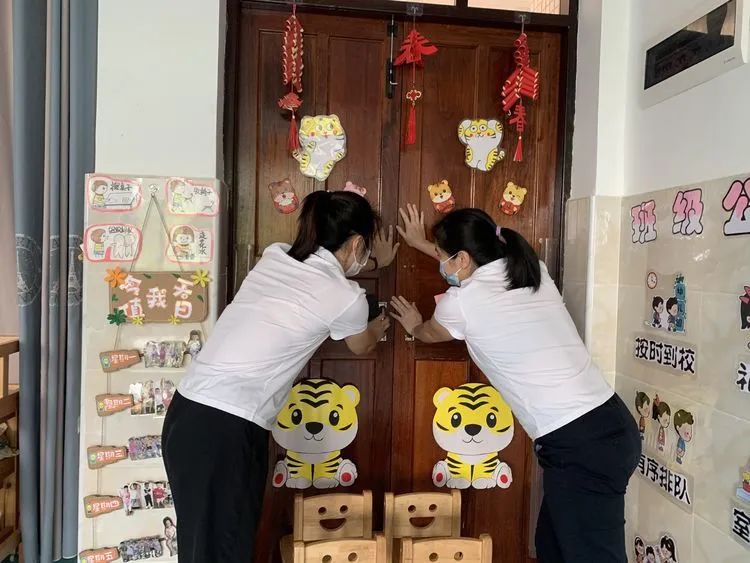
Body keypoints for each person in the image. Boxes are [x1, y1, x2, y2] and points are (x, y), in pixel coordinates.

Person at [390, 205, 641, 562]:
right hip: (604, 427)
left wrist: (413, 324)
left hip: (579, 447)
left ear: (461, 258)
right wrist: (421, 244)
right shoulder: (530, 269)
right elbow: (472, 262)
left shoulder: (461, 302)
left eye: (443, 256)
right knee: (552, 547)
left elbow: (429, 333)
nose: (441, 263)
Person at [163, 191, 398, 562]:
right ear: (357, 243)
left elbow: (318, 280)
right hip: (227, 427)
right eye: (364, 247)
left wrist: (372, 263)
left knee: (203, 545)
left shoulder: (274, 256)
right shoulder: (346, 297)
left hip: (189, 414)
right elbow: (361, 344)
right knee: (222, 550)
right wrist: (379, 320)